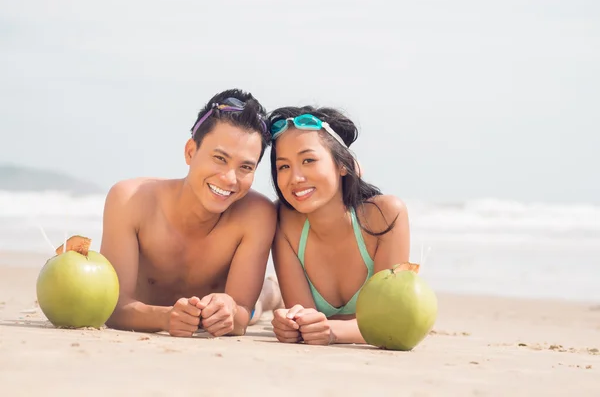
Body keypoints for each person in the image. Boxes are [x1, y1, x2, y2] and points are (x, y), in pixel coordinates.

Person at [101, 88, 281, 338]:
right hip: (154, 312)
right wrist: (164, 317)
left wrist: (230, 308)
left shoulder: (257, 214)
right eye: (220, 158)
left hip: (228, 308)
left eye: (245, 167)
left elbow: (240, 317)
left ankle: (270, 292)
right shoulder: (130, 200)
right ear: (190, 151)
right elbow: (113, 308)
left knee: (257, 306)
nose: (230, 178)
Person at [267, 106, 411, 345]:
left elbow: (391, 320)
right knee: (267, 298)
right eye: (284, 166)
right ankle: (268, 294)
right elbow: (304, 318)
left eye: (308, 160)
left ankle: (269, 293)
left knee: (270, 295)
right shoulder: (285, 221)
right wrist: (292, 323)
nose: (295, 178)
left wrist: (332, 332)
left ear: (343, 165)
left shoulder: (385, 216)